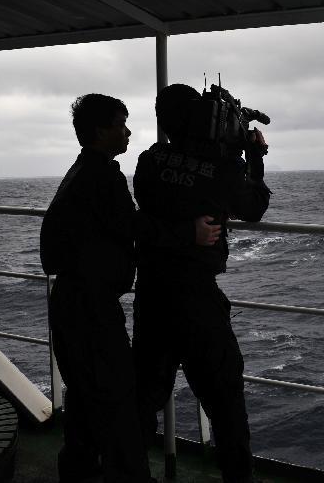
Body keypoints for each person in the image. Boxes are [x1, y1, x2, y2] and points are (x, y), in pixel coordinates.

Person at [40, 93, 216, 483]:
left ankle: (80, 473)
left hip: (73, 303)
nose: (128, 131)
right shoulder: (102, 175)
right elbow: (134, 226)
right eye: (121, 123)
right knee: (116, 398)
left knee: (86, 399)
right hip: (90, 310)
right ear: (101, 130)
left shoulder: (84, 171)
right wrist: (192, 231)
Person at [132, 83, 271, 483]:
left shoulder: (148, 161)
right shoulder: (224, 170)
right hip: (196, 300)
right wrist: (253, 157)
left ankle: (131, 473)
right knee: (226, 402)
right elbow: (255, 208)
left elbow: (152, 205)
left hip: (152, 293)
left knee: (143, 397)